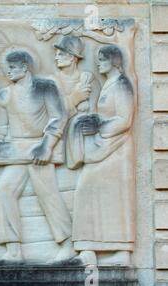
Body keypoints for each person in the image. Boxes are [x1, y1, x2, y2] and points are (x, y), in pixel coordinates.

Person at [0, 50, 74, 263]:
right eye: (6, 68)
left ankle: (67, 245)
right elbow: (0, 127)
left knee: (47, 194)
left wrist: (46, 146)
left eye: (12, 67)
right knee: (4, 192)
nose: (8, 71)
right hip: (17, 152)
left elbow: (58, 116)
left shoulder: (45, 87)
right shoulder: (5, 94)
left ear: (25, 67)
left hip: (40, 149)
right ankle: (13, 249)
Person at [71, 45, 135, 266]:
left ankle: (120, 251)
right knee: (88, 192)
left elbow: (125, 120)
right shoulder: (110, 83)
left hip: (115, 149)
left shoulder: (122, 84)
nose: (98, 62)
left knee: (108, 197)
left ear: (114, 60)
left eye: (102, 59)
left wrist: (99, 126)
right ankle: (89, 247)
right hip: (104, 147)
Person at [53, 35, 100, 169]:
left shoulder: (88, 78)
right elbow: (53, 114)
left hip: (84, 134)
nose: (56, 57)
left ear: (73, 58)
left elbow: (97, 110)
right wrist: (75, 99)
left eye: (61, 54)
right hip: (59, 133)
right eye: (56, 54)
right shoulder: (52, 81)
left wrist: (89, 111)